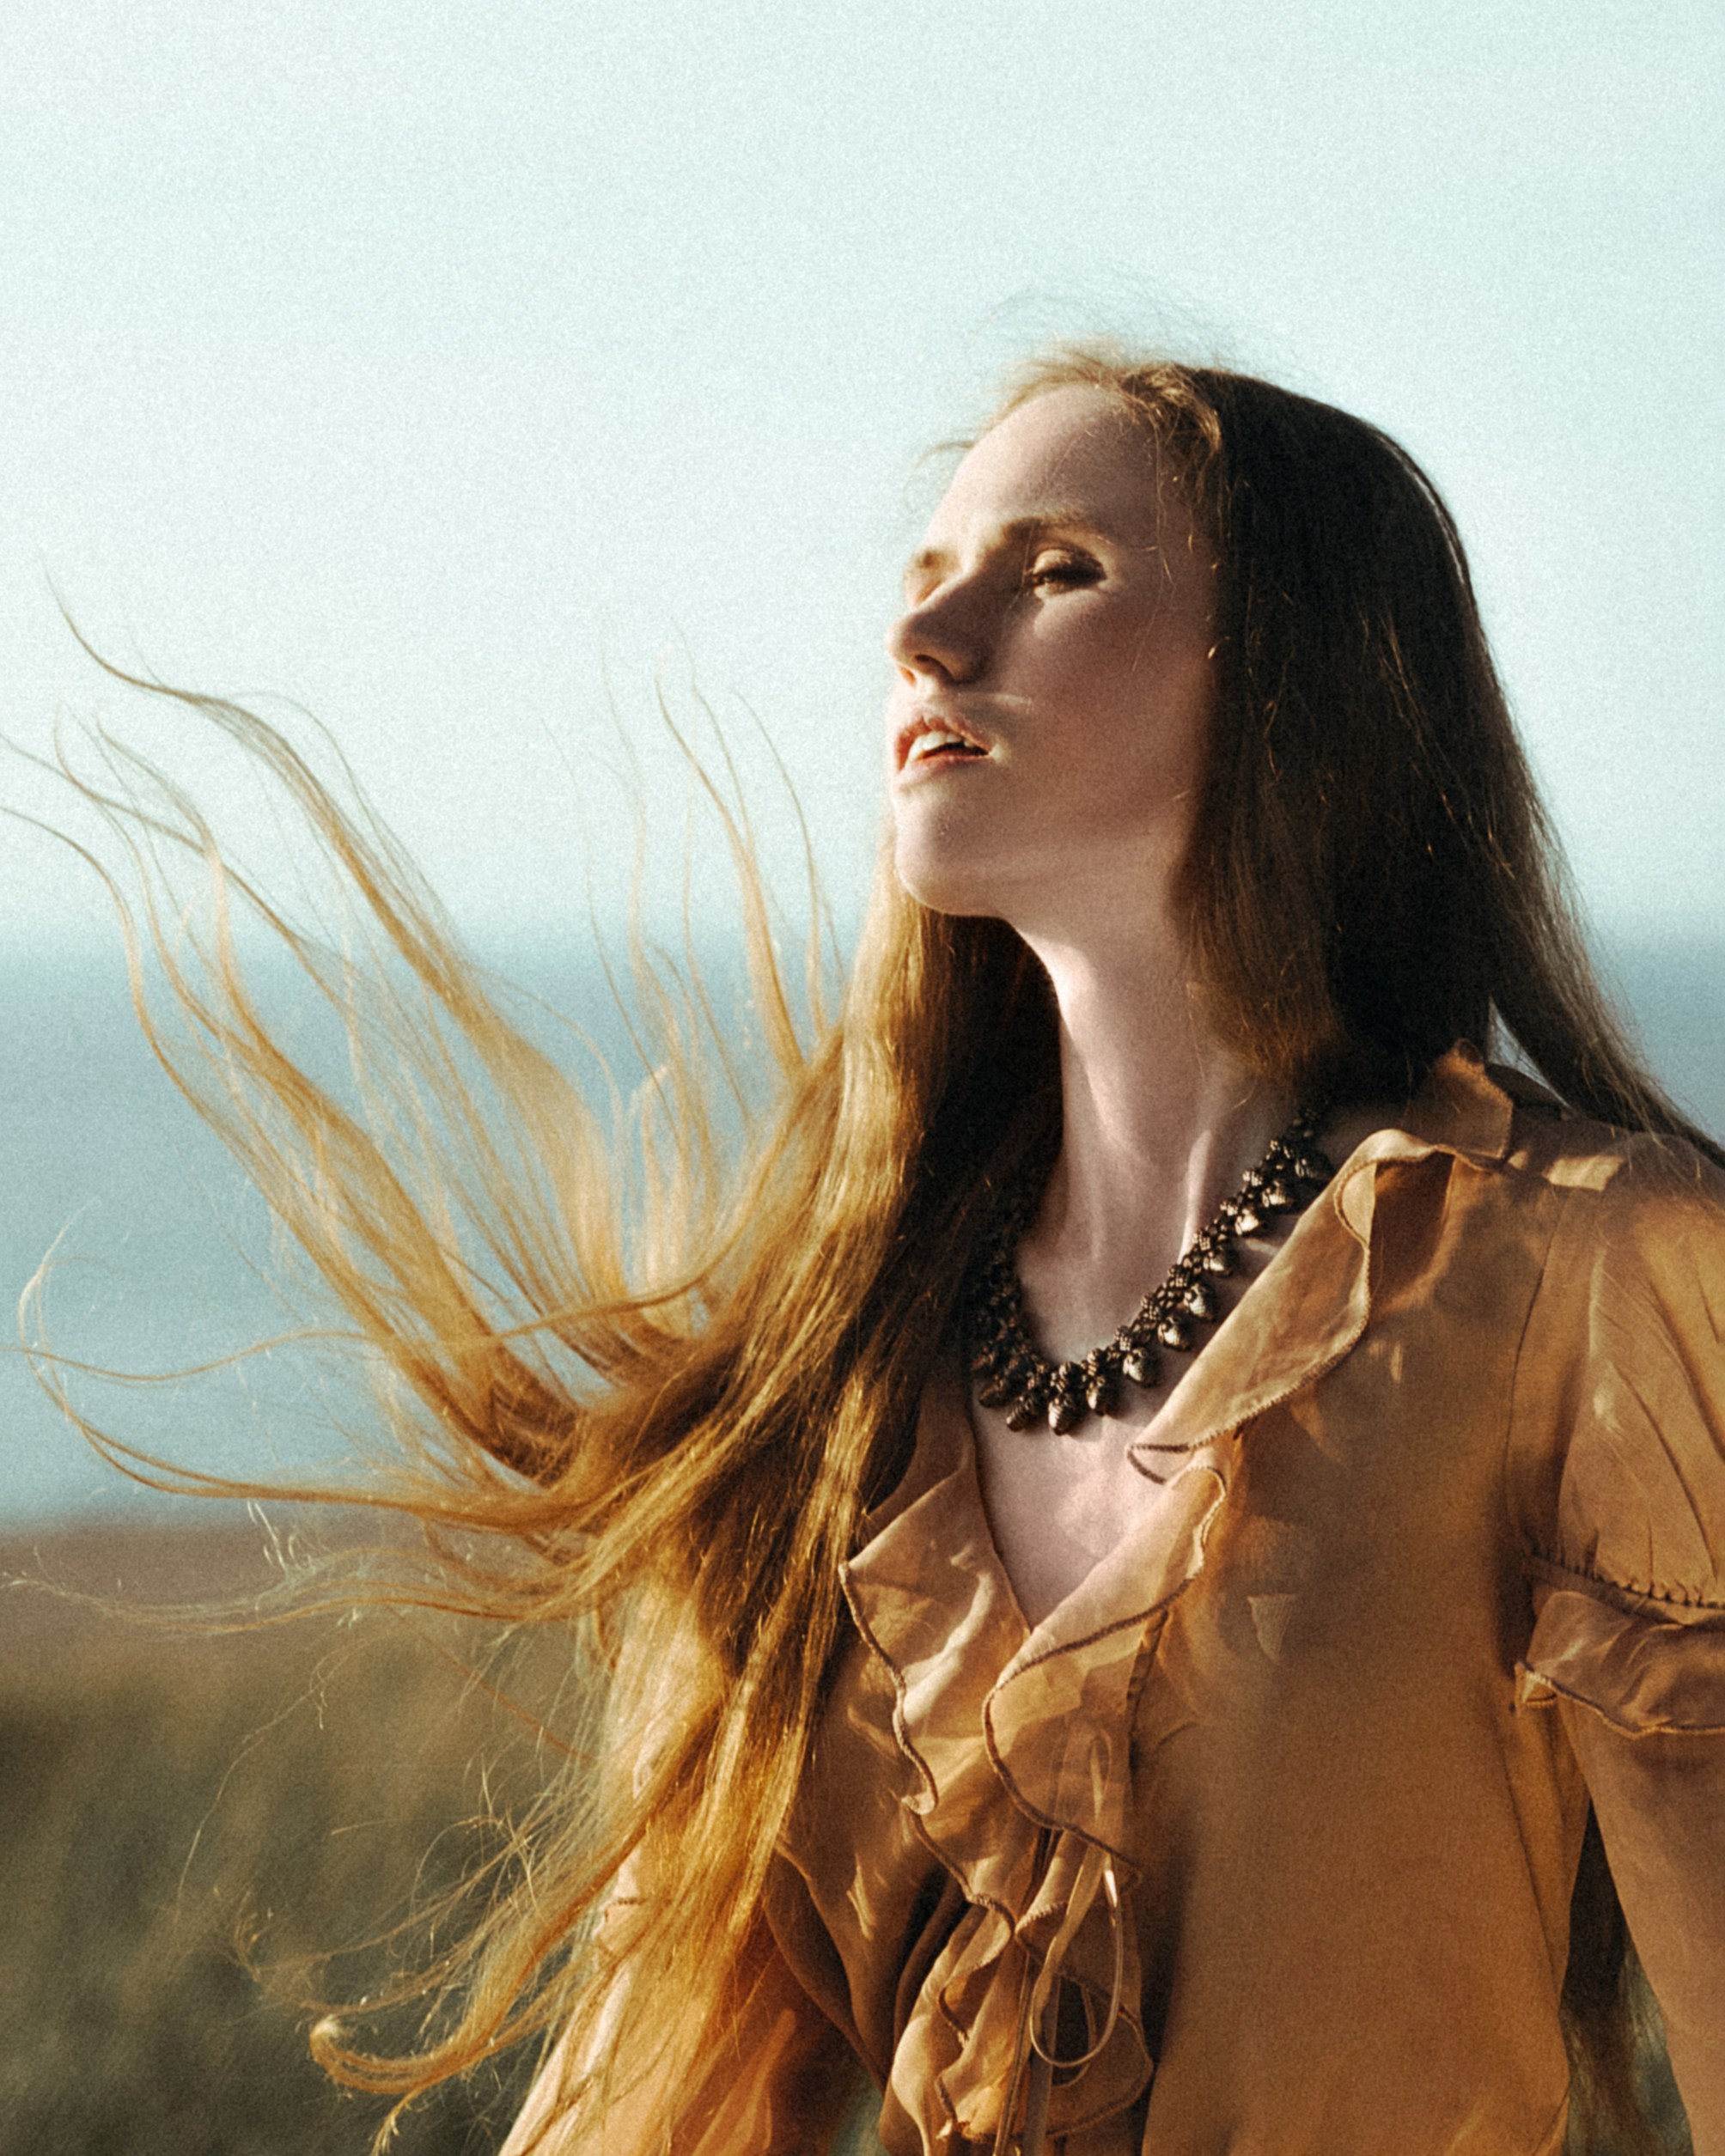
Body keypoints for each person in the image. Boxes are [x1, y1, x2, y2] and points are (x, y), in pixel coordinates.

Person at [68, 352, 1723, 2153]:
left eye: (1056, 568)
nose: (928, 635)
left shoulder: (1586, 1272)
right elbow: (670, 2090)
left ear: (1301, 676)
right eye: (925, 575)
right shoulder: (831, 1374)